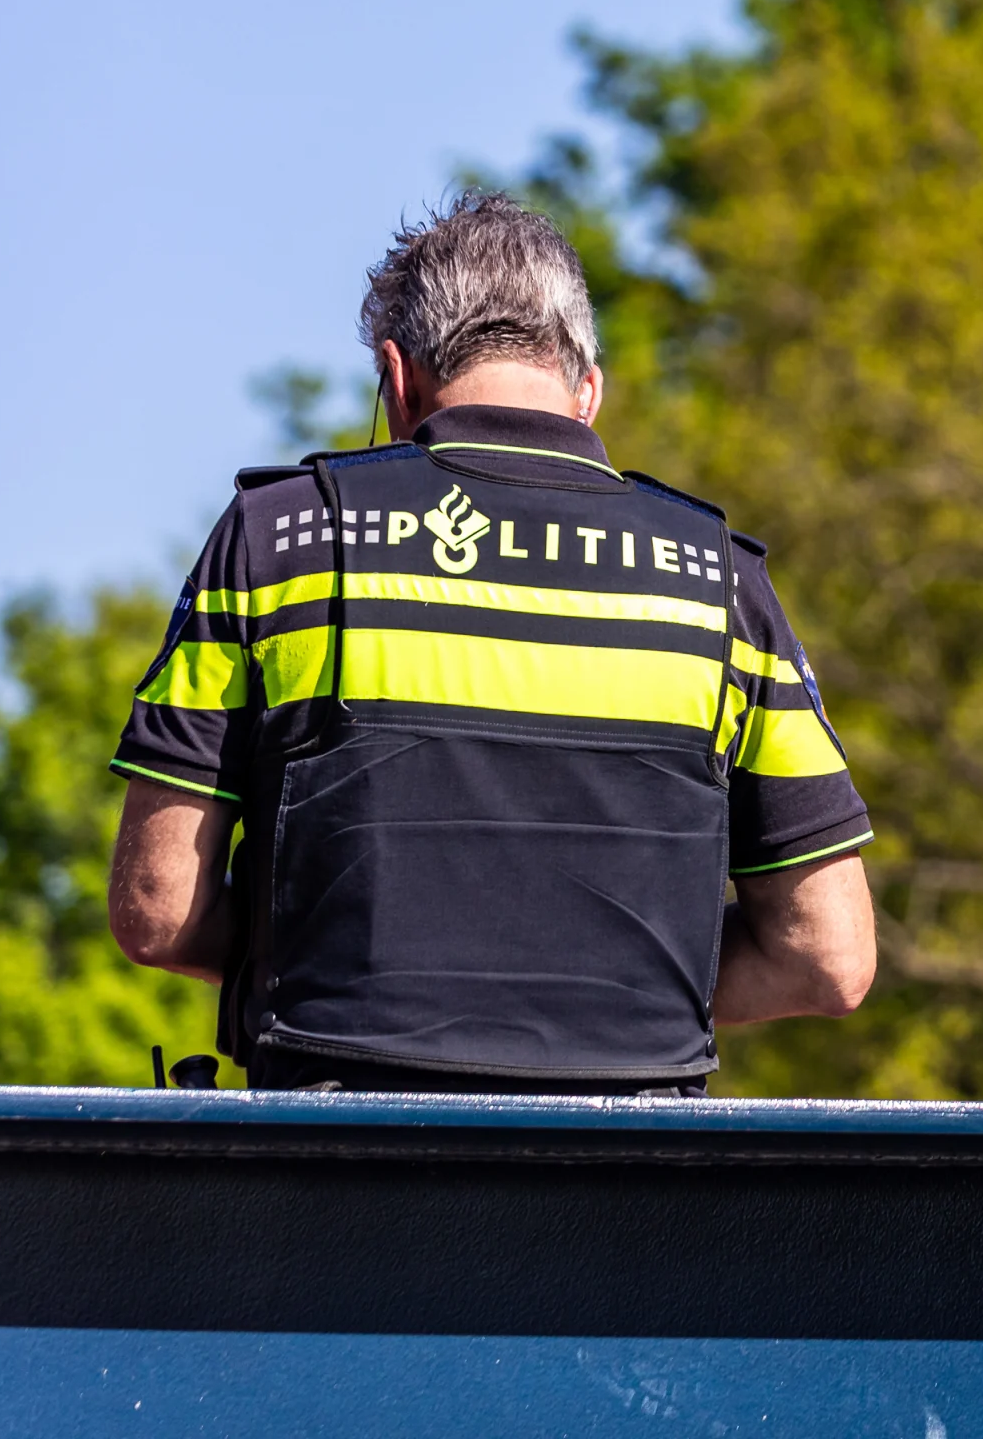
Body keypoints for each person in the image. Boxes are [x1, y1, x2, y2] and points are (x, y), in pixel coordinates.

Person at [105, 191, 876, 1091]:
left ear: (398, 379)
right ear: (588, 391)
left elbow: (157, 909)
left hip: (333, 1172)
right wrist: (601, 980)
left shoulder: (283, 542)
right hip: (627, 1186)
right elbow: (829, 957)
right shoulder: (719, 583)